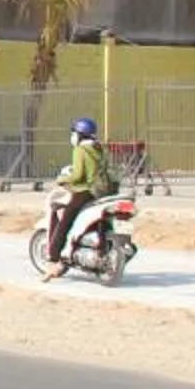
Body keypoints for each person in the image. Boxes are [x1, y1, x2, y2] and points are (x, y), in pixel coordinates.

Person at [43, 117, 117, 279]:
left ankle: (53, 257)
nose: (72, 136)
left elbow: (78, 175)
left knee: (64, 221)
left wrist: (63, 180)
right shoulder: (99, 148)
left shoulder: (80, 150)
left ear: (80, 134)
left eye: (74, 133)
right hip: (105, 192)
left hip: (87, 191)